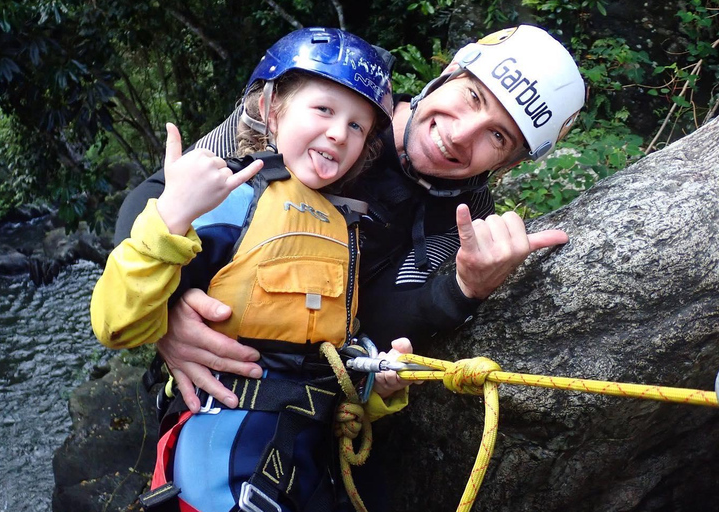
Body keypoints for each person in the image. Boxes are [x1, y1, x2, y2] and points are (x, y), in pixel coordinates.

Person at [114, 25, 586, 415]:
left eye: (498, 137)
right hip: (207, 381)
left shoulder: (464, 221)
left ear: (511, 164)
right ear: (446, 75)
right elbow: (158, 198)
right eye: (472, 97)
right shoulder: (331, 102)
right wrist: (166, 315)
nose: (460, 136)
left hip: (301, 397)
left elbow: (375, 320)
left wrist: (465, 287)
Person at [92, 27, 413, 512]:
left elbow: (323, 367)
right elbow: (116, 323)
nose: (337, 133)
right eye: (323, 109)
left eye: (357, 126)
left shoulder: (344, 228)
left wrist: (376, 388)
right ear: (271, 109)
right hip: (222, 455)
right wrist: (171, 215)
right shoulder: (229, 200)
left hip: (306, 462)